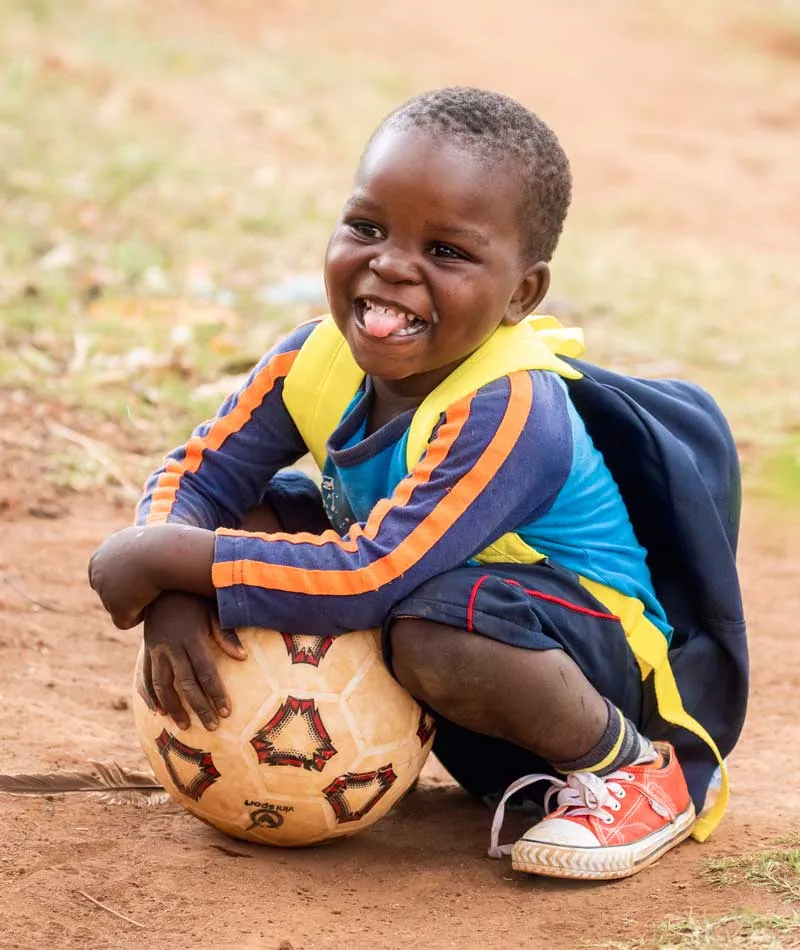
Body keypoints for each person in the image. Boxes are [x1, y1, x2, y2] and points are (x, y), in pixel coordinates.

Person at [88, 86, 747, 881]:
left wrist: (164, 560)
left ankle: (634, 776)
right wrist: (170, 583)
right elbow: (200, 474)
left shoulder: (509, 407)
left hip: (582, 667)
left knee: (434, 619)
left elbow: (374, 576)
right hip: (459, 661)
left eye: (448, 252)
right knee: (263, 515)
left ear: (522, 294)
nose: (392, 265)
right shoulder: (314, 356)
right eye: (367, 228)